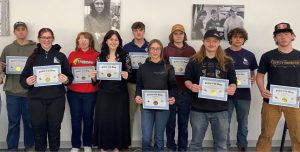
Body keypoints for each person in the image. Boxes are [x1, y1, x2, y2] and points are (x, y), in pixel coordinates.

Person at [19, 28, 74, 152]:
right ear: (39, 39)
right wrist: (27, 81)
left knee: (54, 130)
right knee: (38, 131)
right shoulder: (32, 57)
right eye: (43, 37)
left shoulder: (60, 56)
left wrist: (66, 80)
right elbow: (23, 80)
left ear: (53, 39)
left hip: (56, 100)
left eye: (49, 37)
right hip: (36, 101)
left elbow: (70, 78)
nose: (46, 40)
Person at [185, 29, 237, 151]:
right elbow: (187, 79)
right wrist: (192, 86)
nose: (211, 44)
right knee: (195, 144)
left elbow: (233, 80)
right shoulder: (194, 60)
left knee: (221, 145)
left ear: (219, 43)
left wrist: (232, 87)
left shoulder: (227, 61)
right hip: (198, 110)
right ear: (203, 42)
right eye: (208, 41)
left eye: (215, 41)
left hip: (221, 110)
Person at [256, 22, 300, 151]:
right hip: (271, 101)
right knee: (266, 135)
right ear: (275, 38)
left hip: (295, 102)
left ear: (292, 36)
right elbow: (259, 76)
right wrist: (262, 90)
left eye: (286, 34)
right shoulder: (267, 56)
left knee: (297, 136)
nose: (283, 37)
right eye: (279, 35)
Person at [92, 30, 131, 152]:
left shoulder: (125, 55)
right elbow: (95, 81)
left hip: (120, 93)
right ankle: (103, 146)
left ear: (119, 42)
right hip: (104, 93)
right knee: (104, 120)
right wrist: (93, 77)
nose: (113, 42)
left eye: (116, 39)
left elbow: (131, 75)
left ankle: (116, 146)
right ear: (106, 41)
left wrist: (127, 75)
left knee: (119, 120)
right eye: (111, 39)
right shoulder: (100, 56)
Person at [135, 39, 177, 152]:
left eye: (157, 48)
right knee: (146, 138)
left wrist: (172, 97)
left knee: (159, 137)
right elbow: (139, 86)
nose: (155, 51)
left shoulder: (168, 67)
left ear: (161, 51)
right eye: (152, 48)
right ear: (148, 51)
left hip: (163, 107)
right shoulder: (142, 68)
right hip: (146, 106)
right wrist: (138, 96)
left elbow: (173, 86)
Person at [0, 21, 35, 151]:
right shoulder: (8, 48)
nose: (21, 31)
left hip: (29, 92)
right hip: (12, 92)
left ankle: (29, 146)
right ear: (14, 32)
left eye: (23, 29)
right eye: (18, 29)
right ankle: (12, 148)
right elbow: (1, 68)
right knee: (13, 123)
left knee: (29, 122)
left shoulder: (35, 48)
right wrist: (1, 73)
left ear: (26, 31)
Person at [163, 24, 195, 152]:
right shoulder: (165, 50)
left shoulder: (191, 50)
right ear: (172, 35)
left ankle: (182, 148)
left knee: (183, 123)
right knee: (170, 123)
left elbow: (194, 70)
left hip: (185, 91)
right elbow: (161, 69)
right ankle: (171, 146)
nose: (178, 36)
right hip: (170, 91)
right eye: (175, 33)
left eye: (180, 33)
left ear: (184, 35)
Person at [225, 28, 258, 151]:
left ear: (244, 39)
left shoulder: (249, 55)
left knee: (243, 123)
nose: (238, 39)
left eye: (240, 37)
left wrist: (252, 79)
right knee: (224, 124)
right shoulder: (222, 54)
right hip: (226, 95)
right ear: (230, 38)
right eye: (235, 36)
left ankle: (242, 146)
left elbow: (253, 73)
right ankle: (225, 145)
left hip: (244, 95)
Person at [67, 32, 99, 152]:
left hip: (91, 92)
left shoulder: (97, 55)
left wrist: (95, 76)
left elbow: (100, 75)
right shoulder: (72, 54)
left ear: (90, 41)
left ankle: (87, 144)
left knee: (88, 118)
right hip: (73, 92)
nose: (83, 41)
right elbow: (67, 72)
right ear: (77, 42)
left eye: (86, 39)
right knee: (75, 119)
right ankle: (75, 145)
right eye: (81, 39)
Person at [123, 21, 148, 144]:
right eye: (136, 30)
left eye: (141, 30)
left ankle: (146, 145)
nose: (138, 32)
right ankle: (127, 144)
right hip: (131, 85)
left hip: (148, 87)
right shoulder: (126, 47)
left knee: (147, 117)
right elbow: (123, 66)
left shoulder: (151, 46)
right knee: (130, 116)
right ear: (132, 32)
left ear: (144, 31)